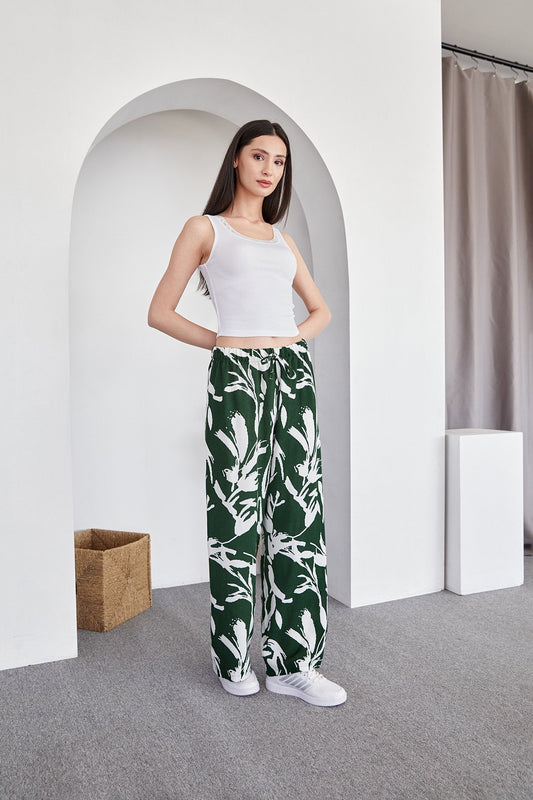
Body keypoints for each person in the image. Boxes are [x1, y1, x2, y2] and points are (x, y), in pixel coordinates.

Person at [147, 119, 346, 707]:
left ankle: (294, 665)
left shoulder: (282, 240)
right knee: (234, 515)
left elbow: (320, 311)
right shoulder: (204, 228)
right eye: (259, 156)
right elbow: (160, 311)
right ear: (236, 159)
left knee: (298, 514)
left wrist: (287, 341)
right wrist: (224, 343)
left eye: (279, 162)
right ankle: (232, 658)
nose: (269, 169)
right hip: (236, 376)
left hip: (294, 376)